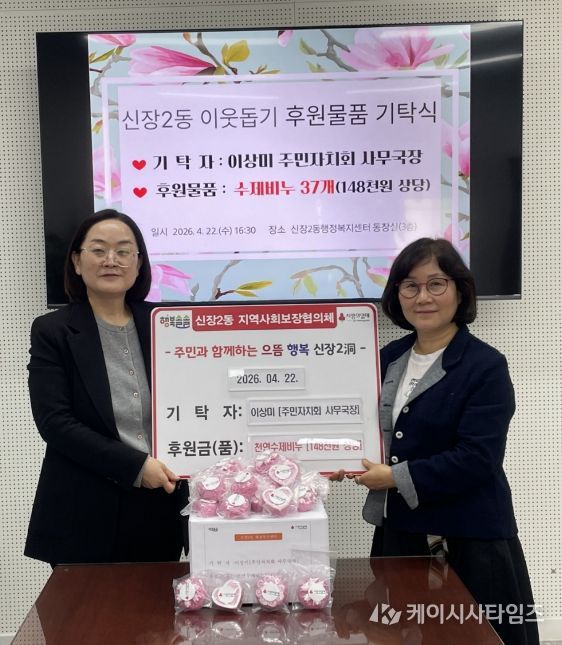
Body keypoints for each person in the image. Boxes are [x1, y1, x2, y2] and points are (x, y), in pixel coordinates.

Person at [331, 238, 539, 645]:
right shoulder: (386, 358)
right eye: (410, 286)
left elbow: (477, 458)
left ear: (460, 290)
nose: (422, 297)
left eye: (436, 284)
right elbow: (365, 431)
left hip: (468, 541)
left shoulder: (485, 365)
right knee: (394, 636)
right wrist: (342, 457)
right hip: (400, 535)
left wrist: (394, 477)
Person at [25, 209, 188, 565]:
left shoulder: (168, 324)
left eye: (123, 251)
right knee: (87, 604)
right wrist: (136, 466)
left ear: (139, 263)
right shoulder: (52, 331)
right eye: (98, 250)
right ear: (76, 262)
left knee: (156, 602)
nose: (111, 260)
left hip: (161, 506)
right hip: (84, 511)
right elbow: (55, 423)